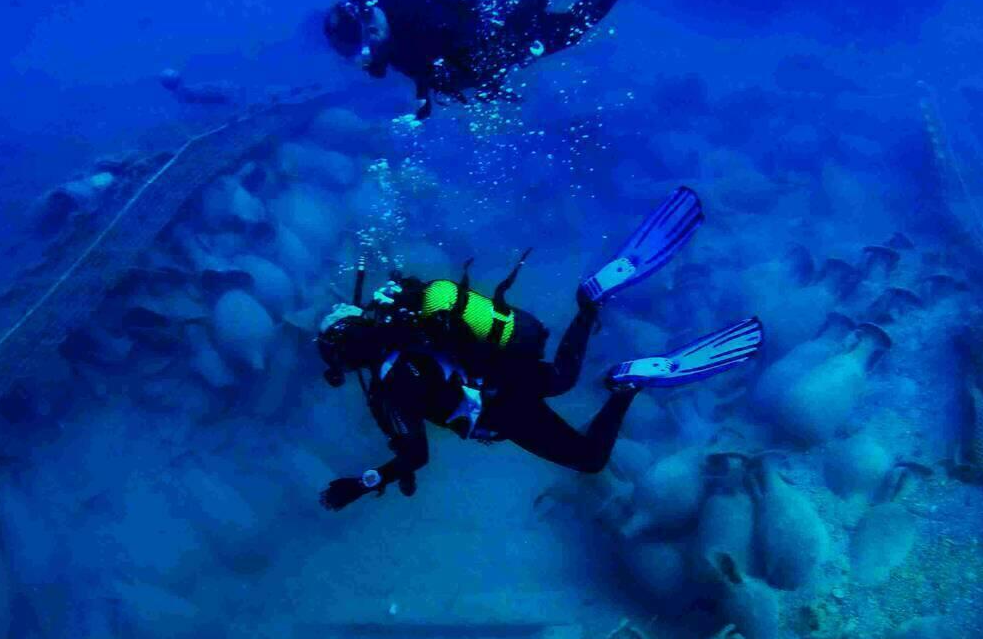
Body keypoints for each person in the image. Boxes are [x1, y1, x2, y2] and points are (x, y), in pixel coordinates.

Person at [314, 187, 763, 510]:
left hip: (498, 409)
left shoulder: (390, 384)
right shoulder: (403, 318)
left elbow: (416, 454)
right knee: (563, 377)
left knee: (589, 458)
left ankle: (626, 385)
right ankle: (589, 304)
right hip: (504, 368)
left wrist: (364, 481)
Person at [323, 0, 689, 120]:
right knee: (531, 20)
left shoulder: (409, 15)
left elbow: (451, 45)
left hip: (493, 36)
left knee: (569, 29)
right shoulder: (391, 0)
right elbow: (428, 62)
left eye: (361, 38)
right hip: (492, 28)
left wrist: (475, 78)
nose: (368, 43)